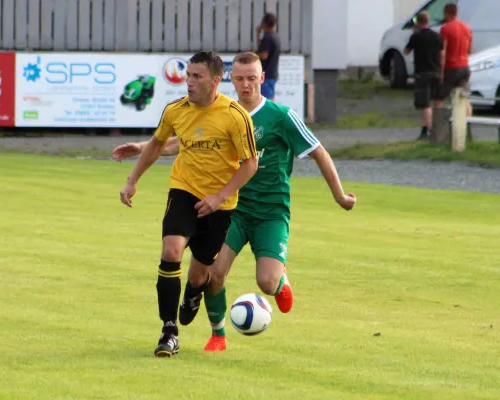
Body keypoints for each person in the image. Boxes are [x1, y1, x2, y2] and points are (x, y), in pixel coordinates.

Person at [113, 52, 356, 352]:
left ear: (262, 79)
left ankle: (280, 280)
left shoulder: (280, 116)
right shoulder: (222, 113)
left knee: (266, 283)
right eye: (239, 79)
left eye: (252, 78)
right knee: (213, 274)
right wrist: (141, 147)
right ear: (230, 79)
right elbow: (186, 140)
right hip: (234, 209)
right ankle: (218, 334)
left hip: (270, 211)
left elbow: (318, 151)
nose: (245, 85)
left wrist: (339, 195)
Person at [118, 51, 258, 358]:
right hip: (184, 191)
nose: (189, 82)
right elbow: (157, 144)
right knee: (171, 252)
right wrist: (132, 180)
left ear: (215, 81)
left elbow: (250, 164)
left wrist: (220, 196)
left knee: (198, 275)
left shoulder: (236, 116)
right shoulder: (175, 110)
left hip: (220, 204)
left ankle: (193, 293)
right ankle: (169, 332)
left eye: (197, 77)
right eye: (188, 75)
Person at [404, 11, 444, 140]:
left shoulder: (416, 36)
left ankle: (426, 130)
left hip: (422, 73)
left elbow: (406, 51)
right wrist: (442, 71)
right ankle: (439, 130)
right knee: (437, 102)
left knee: (425, 104)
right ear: (428, 21)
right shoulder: (437, 36)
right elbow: (442, 54)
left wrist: (413, 34)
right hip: (436, 71)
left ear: (418, 23)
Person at [434, 3, 473, 116]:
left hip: (451, 67)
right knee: (464, 99)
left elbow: (443, 52)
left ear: (446, 13)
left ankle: (437, 128)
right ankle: (467, 125)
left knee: (438, 99)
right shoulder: (467, 27)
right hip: (465, 66)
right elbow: (469, 50)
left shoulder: (445, 29)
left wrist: (441, 73)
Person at [256, 13, 281, 101]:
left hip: (267, 74)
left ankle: (270, 115)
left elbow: (264, 55)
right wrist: (258, 34)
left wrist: (252, 54)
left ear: (264, 23)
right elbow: (262, 46)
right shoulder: (275, 36)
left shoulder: (268, 37)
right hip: (272, 73)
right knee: (269, 97)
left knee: (267, 100)